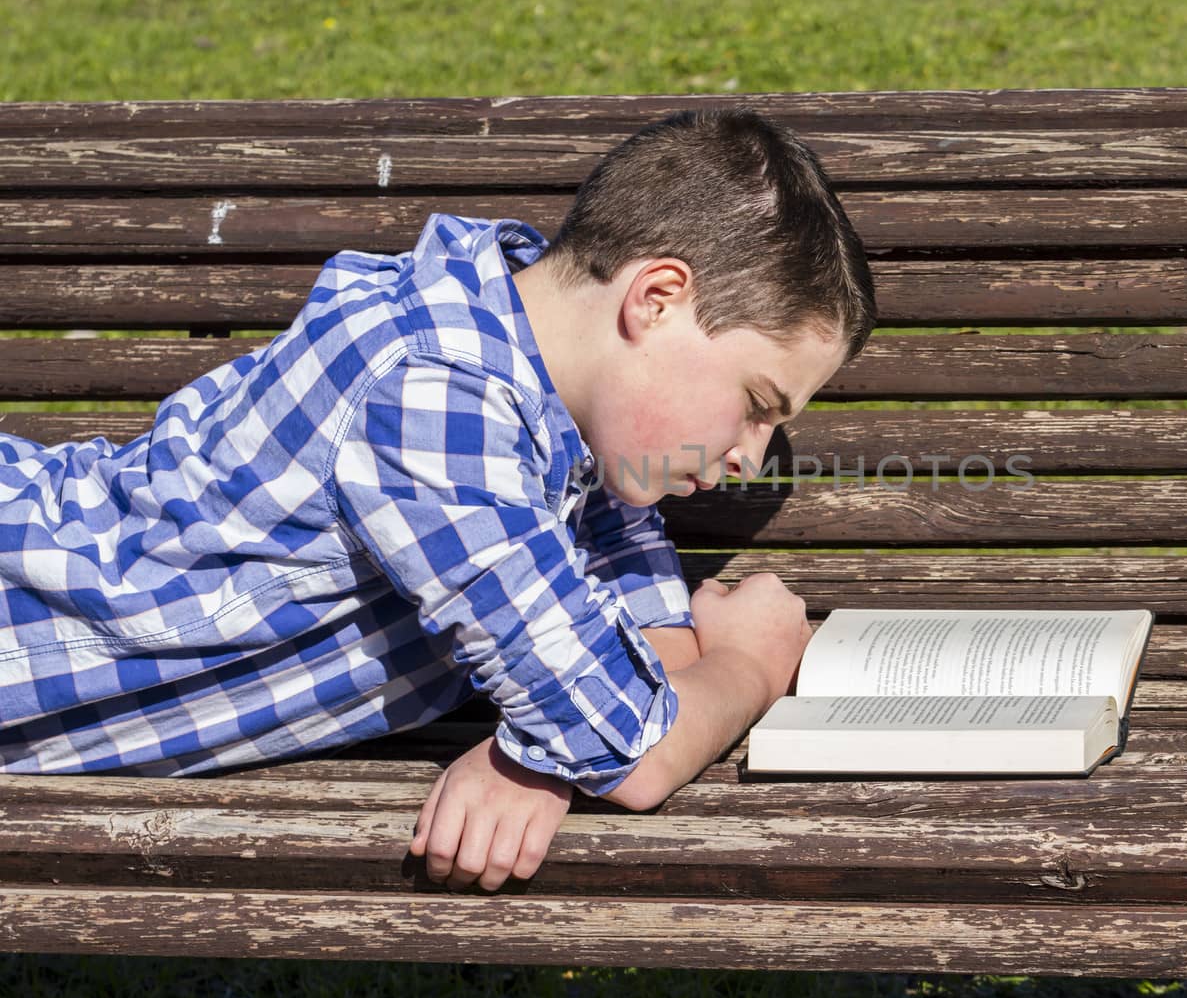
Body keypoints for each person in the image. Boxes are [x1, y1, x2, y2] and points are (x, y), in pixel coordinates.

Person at [0, 107, 877, 894]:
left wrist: (543, 754)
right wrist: (754, 665)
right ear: (657, 298)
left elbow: (638, 672)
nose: (748, 455)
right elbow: (637, 742)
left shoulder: (563, 402)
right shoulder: (436, 398)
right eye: (757, 404)